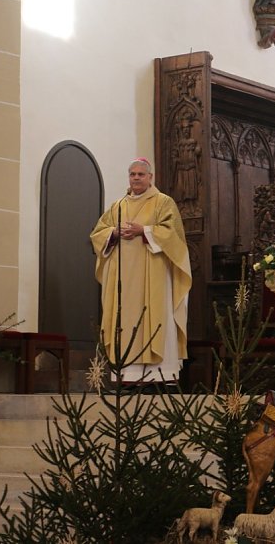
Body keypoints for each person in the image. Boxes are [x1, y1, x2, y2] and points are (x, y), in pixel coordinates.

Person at [89, 158, 192, 383]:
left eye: (141, 174)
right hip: (123, 279)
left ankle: (160, 375)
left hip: (153, 276)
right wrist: (113, 233)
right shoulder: (118, 206)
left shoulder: (163, 202)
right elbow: (98, 233)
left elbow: (173, 235)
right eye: (132, 174)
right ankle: (126, 375)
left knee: (155, 317)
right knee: (124, 322)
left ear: (150, 177)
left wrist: (144, 231)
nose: (136, 178)